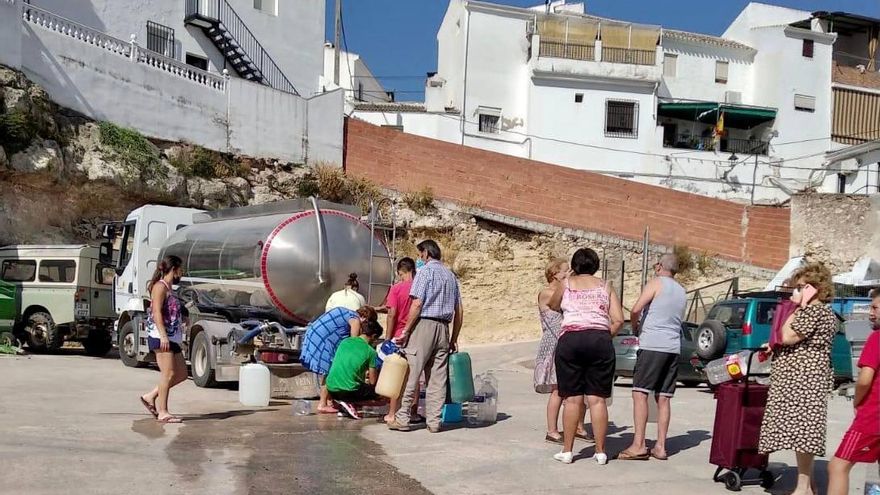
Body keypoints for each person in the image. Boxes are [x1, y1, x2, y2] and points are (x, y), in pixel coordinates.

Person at [759, 262, 838, 495]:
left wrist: (796, 306)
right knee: (801, 433)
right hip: (800, 380)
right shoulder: (818, 311)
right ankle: (809, 485)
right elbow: (788, 340)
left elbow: (787, 335)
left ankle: (802, 488)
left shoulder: (813, 311)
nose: (796, 291)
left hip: (803, 381)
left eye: (801, 287)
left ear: (815, 288)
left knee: (804, 434)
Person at [548, 248, 624, 465]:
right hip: (599, 339)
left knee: (572, 399)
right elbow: (618, 319)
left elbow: (553, 305)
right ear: (596, 265)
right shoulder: (606, 286)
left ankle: (568, 451)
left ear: (574, 265)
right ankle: (600, 452)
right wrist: (601, 334)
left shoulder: (566, 284)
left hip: (571, 339)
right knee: (597, 399)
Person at [387, 239, 463, 433]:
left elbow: (417, 304)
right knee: (438, 377)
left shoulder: (424, 273)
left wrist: (407, 330)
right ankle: (435, 421)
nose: (420, 259)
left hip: (424, 325)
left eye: (420, 255)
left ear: (426, 254)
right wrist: (453, 337)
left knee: (413, 371)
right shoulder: (450, 276)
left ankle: (403, 418)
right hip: (444, 327)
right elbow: (459, 310)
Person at [619, 253, 687, 461]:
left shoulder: (656, 283)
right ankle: (661, 446)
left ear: (659, 266)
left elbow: (637, 308)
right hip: (673, 346)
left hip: (653, 344)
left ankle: (639, 444)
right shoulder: (682, 291)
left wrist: (635, 327)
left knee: (640, 393)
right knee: (664, 398)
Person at [827, 290, 880, 495]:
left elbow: (865, 379)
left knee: (838, 466)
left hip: (872, 417)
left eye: (875, 308)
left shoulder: (876, 338)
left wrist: (857, 402)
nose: (870, 313)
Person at [535, 258, 593, 444]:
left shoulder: (567, 290)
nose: (569, 273)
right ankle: (552, 430)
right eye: (565, 271)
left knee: (580, 387)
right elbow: (557, 304)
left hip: (570, 341)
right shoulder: (547, 293)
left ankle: (578, 426)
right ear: (554, 274)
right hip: (554, 343)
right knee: (558, 389)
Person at [300, 305, 378, 414]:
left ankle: (330, 401)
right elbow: (354, 346)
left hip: (314, 333)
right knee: (329, 371)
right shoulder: (355, 321)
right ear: (365, 318)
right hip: (324, 340)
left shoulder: (346, 311)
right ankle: (322, 404)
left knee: (329, 369)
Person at [139, 256, 188, 424]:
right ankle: (163, 412)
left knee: (181, 374)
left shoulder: (169, 288)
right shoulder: (160, 287)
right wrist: (163, 335)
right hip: (161, 337)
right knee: (168, 374)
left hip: (172, 337)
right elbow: (156, 313)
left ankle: (150, 396)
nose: (182, 272)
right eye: (180, 269)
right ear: (174, 269)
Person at [382, 257, 422, 424]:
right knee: (415, 375)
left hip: (399, 334)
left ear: (402, 272)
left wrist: (388, 337)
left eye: (399, 274)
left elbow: (392, 313)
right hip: (416, 334)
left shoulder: (396, 289)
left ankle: (393, 413)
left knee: (397, 374)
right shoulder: (420, 287)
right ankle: (413, 412)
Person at [327, 319, 386, 420]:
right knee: (383, 398)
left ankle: (344, 405)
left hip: (331, 388)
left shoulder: (345, 341)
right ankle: (350, 402)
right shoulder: (371, 352)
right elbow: (372, 381)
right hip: (348, 390)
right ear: (374, 336)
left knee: (359, 387)